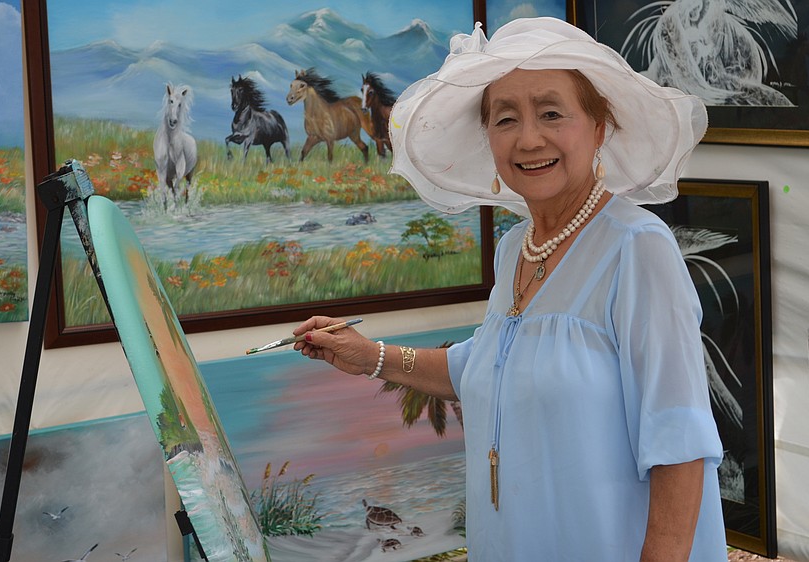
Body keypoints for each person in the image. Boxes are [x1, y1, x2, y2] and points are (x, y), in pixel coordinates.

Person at [292, 17, 727, 561]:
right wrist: (368, 357)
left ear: (598, 128)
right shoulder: (516, 247)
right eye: (505, 119)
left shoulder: (637, 247)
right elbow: (490, 364)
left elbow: (679, 439)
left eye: (551, 113)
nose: (528, 138)